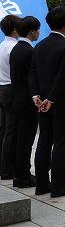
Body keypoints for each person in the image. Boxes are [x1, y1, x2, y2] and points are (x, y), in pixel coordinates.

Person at [28, 6, 65, 197]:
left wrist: (37, 96)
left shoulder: (39, 45)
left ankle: (42, 184)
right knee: (62, 143)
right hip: (62, 103)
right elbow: (64, 76)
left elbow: (32, 73)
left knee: (44, 140)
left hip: (42, 103)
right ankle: (59, 186)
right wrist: (52, 98)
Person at [10, 17, 40, 188]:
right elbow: (32, 78)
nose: (38, 33)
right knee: (25, 140)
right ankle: (23, 176)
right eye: (37, 29)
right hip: (28, 101)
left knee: (19, 138)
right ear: (32, 31)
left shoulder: (16, 49)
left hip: (18, 99)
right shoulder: (29, 51)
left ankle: (20, 173)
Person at [0, 14, 21, 180]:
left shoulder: (1, 46)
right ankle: (8, 168)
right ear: (15, 29)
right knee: (12, 130)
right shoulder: (15, 48)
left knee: (4, 129)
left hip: (1, 88)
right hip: (11, 89)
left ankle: (4, 165)